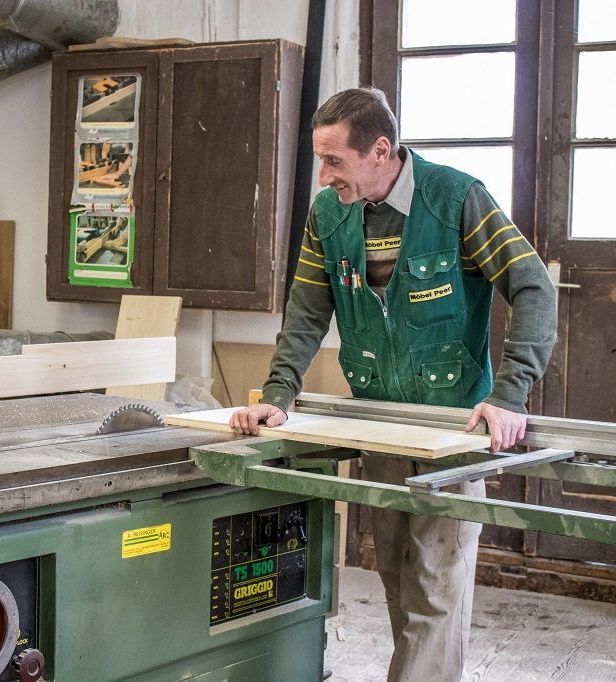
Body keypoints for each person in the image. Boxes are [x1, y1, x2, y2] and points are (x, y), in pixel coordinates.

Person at [230, 87, 557, 681]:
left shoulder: (456, 198)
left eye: (334, 160)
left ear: (380, 150)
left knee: (434, 584)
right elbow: (306, 312)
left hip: (453, 431)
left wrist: (509, 395)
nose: (324, 176)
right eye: (320, 160)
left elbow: (534, 287)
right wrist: (278, 394)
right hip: (380, 424)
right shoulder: (329, 214)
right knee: (398, 575)